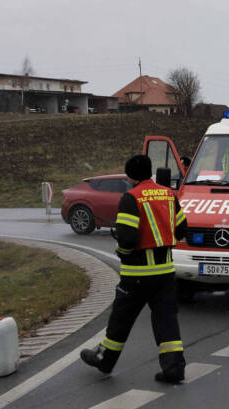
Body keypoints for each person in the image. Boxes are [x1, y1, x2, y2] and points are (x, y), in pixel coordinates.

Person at [80, 155, 188, 383]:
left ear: (129, 176)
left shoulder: (131, 197)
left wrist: (121, 251)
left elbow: (128, 239)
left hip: (136, 275)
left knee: (121, 319)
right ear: (149, 172)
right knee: (166, 321)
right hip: (165, 273)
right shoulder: (168, 194)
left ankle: (105, 359)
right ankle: (174, 368)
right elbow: (181, 229)